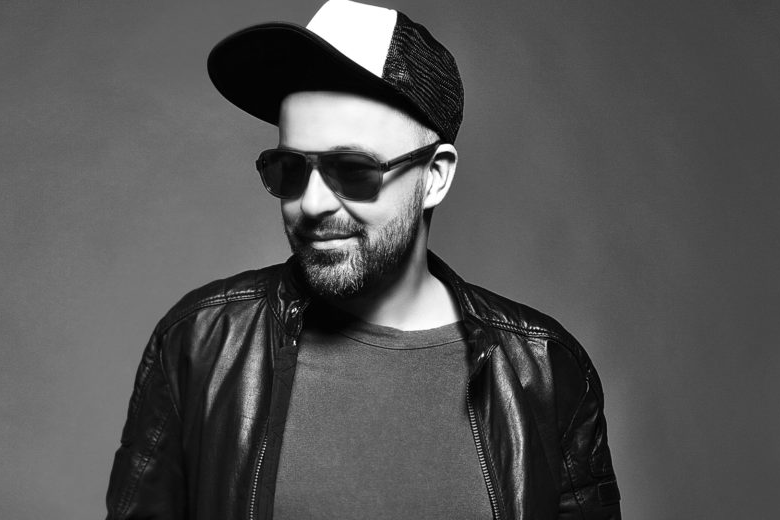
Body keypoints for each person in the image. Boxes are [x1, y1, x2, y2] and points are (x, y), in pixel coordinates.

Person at [105, 1, 621, 518]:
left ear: (434, 177)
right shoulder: (198, 343)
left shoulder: (545, 370)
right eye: (290, 169)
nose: (312, 204)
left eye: (352, 170)